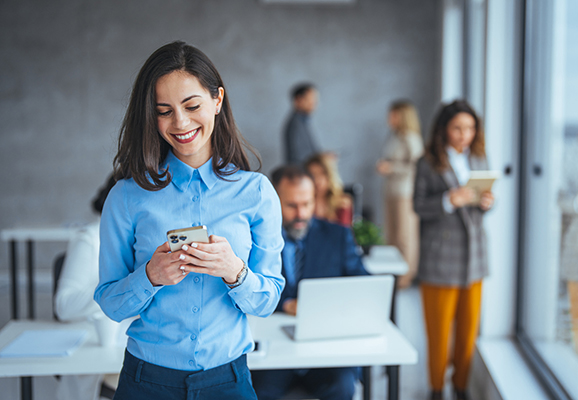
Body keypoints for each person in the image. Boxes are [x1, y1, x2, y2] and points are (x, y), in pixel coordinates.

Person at [93, 41, 284, 400]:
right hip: (146, 384)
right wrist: (150, 277)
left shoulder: (256, 193)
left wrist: (235, 271)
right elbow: (110, 303)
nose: (180, 123)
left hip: (228, 382)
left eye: (192, 105)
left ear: (217, 100)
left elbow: (267, 299)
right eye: (164, 111)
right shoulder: (126, 196)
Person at [251, 166, 368, 400]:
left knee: (343, 385)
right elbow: (246, 287)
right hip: (273, 350)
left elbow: (362, 284)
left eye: (307, 204)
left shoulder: (338, 236)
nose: (301, 214)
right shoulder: (255, 239)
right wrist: (286, 304)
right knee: (256, 391)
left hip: (324, 349)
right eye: (292, 206)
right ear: (274, 201)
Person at [413, 100, 494, 400]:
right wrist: (450, 200)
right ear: (444, 130)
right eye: (458, 128)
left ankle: (461, 386)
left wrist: (487, 204)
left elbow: (480, 204)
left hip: (474, 255)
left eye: (471, 128)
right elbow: (417, 206)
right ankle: (436, 389)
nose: (465, 135)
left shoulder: (479, 159)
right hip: (440, 257)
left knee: (468, 329)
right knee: (439, 331)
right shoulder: (427, 162)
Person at [54, 174, 124, 400]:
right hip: (104, 352)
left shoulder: (146, 238)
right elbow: (65, 305)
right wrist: (122, 288)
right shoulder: (91, 238)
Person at [376, 100, 424, 287]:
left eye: (393, 114)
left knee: (405, 236)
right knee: (393, 234)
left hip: (405, 192)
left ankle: (405, 278)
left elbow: (416, 167)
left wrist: (391, 168)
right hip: (392, 191)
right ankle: (394, 276)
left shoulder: (411, 138)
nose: (389, 118)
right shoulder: (394, 136)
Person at [304, 153, 353, 227]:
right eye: (313, 175)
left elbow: (344, 233)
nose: (317, 180)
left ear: (330, 175)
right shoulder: (302, 202)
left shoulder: (342, 203)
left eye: (322, 174)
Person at [283, 83, 321, 165]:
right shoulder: (295, 125)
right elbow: (299, 157)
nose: (314, 103)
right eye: (310, 99)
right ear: (298, 99)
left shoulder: (303, 121)